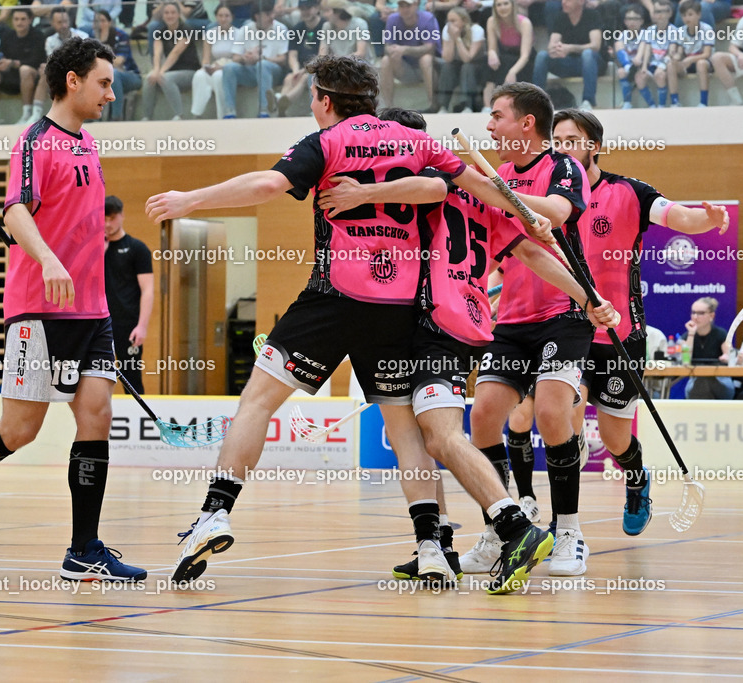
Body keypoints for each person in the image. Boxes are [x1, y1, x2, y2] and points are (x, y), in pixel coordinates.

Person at [146, 55, 561, 595]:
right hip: (401, 308)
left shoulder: (328, 140)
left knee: (257, 401)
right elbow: (463, 189)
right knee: (404, 428)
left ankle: (215, 513)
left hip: (334, 296)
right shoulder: (421, 141)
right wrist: (528, 215)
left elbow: (268, 187)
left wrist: (189, 199)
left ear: (323, 99)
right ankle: (433, 546)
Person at [314, 105, 619, 583]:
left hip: (437, 322)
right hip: (468, 321)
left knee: (438, 436)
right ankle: (438, 545)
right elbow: (530, 252)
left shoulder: (430, 187)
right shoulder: (475, 190)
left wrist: (363, 193)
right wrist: (587, 296)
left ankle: (519, 525)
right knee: (432, 434)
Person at [0, 37, 147, 583]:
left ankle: (84, 549)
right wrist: (48, 260)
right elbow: (15, 209)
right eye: (104, 83)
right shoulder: (34, 142)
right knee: (20, 431)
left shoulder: (88, 145)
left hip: (92, 314)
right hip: (38, 310)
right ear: (73, 81)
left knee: (96, 418)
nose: (111, 94)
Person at [551, 108, 728, 536]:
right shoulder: (547, 198)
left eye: (570, 140)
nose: (561, 149)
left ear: (593, 146)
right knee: (564, 412)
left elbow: (678, 216)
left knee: (615, 439)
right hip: (566, 326)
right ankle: (565, 523)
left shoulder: (629, 192)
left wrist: (707, 219)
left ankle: (636, 477)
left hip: (619, 333)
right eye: (555, 141)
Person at [464, 83, 596, 578]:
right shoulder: (496, 175)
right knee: (483, 418)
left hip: (565, 312)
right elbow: (502, 246)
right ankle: (504, 529)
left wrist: (515, 201)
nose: (489, 126)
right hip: (514, 319)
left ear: (527, 124)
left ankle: (568, 532)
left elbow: (559, 212)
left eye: (496, 115)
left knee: (549, 410)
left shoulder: (563, 165)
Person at [104, 196, 154, 393]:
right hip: (99, 323)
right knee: (95, 377)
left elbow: (148, 290)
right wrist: (100, 253)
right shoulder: (93, 248)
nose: (108, 224)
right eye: (104, 219)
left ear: (122, 216)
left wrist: (142, 326)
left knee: (131, 378)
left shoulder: (137, 249)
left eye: (112, 218)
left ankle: (136, 420)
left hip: (129, 324)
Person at [531, 0, 604, 111]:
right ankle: (536, 102)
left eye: (568, 0)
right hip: (569, 63)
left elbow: (595, 46)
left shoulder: (592, 15)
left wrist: (570, 48)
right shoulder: (560, 17)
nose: (564, 2)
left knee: (587, 54)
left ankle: (588, 101)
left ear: (580, 2)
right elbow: (551, 46)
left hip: (592, 64)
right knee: (542, 56)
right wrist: (556, 50)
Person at [221, 1, 289, 118]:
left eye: (272, 13)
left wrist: (262, 58)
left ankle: (264, 110)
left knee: (262, 65)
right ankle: (229, 111)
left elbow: (283, 59)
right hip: (251, 70)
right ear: (257, 16)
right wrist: (245, 58)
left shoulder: (281, 28)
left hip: (273, 71)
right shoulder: (245, 29)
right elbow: (235, 57)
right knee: (228, 68)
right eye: (267, 14)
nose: (272, 17)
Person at [0, 7, 45, 125]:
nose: (19, 22)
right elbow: (0, 52)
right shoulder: (8, 34)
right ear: (12, 21)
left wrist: (14, 63)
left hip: (30, 77)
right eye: (16, 19)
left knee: (25, 70)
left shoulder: (38, 36)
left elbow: (37, 61)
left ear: (30, 20)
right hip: (9, 76)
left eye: (23, 19)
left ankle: (27, 114)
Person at [140, 0, 199, 121]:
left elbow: (175, 53)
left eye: (173, 12)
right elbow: (157, 54)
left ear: (178, 14)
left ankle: (179, 115)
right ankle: (147, 117)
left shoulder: (186, 29)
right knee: (149, 78)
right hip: (170, 71)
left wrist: (161, 71)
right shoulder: (160, 32)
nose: (170, 15)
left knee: (164, 77)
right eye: (166, 13)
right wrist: (156, 70)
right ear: (163, 15)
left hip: (190, 71)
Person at [378, 0, 440, 111]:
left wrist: (405, 49)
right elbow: (387, 46)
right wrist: (394, 51)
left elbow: (430, 48)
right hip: (404, 69)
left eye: (408, 6)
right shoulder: (393, 19)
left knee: (425, 59)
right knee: (386, 60)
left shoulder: (428, 18)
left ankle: (433, 104)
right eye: (401, 6)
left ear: (416, 5)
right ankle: (388, 108)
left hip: (428, 68)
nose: (405, 9)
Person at [481, 0, 533, 113]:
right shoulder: (492, 21)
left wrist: (512, 72)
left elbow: (525, 55)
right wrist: (491, 53)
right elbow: (492, 48)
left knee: (507, 63)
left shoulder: (524, 23)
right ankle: (487, 106)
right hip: (505, 55)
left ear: (512, 5)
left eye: (506, 3)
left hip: (523, 60)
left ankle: (507, 107)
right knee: (489, 61)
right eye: (499, 5)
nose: (502, 7)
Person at [190, 4, 240, 119]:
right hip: (215, 65)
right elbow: (206, 58)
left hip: (231, 67)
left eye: (226, 16)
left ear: (232, 17)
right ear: (216, 17)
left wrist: (221, 67)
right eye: (220, 15)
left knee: (218, 76)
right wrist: (206, 67)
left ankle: (224, 114)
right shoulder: (210, 33)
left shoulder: (239, 33)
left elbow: (238, 58)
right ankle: (197, 113)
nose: (223, 19)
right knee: (199, 75)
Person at [681, 296, 735, 399]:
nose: (695, 317)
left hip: (721, 380)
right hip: (696, 382)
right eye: (693, 313)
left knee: (706, 380)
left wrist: (726, 357)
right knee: (701, 381)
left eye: (701, 313)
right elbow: (685, 361)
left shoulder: (721, 334)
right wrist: (691, 334)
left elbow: (730, 356)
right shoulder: (687, 336)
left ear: (711, 316)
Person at [275, 0, 323, 116]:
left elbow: (322, 55)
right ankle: (281, 104)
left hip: (317, 67)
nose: (305, 12)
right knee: (289, 78)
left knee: (305, 78)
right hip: (300, 68)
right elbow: (292, 55)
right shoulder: (297, 28)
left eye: (308, 8)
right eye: (302, 9)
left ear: (317, 8)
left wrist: (303, 70)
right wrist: (296, 69)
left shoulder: (324, 26)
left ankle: (280, 101)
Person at [91, 9, 140, 121]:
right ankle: (91, 117)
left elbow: (119, 61)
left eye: (102, 21)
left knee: (113, 74)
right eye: (96, 21)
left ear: (109, 22)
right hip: (103, 78)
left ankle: (116, 117)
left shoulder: (121, 35)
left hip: (129, 75)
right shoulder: (91, 39)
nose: (99, 24)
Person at [436, 6, 484, 113]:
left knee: (467, 67)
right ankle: (443, 106)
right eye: (448, 21)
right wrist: (452, 38)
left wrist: (457, 38)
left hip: (476, 67)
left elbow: (467, 58)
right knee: (447, 67)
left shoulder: (476, 30)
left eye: (453, 21)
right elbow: (447, 58)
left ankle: (468, 106)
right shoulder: (447, 30)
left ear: (464, 21)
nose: (450, 24)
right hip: (457, 65)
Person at [666, 0, 712, 108]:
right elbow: (680, 51)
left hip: (703, 62)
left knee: (701, 63)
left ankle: (703, 102)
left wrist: (691, 59)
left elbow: (707, 54)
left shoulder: (707, 29)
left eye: (690, 14)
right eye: (684, 15)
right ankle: (675, 101)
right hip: (687, 62)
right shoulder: (680, 31)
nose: (687, 18)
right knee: (670, 65)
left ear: (699, 15)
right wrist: (675, 56)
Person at [613, 3, 647, 109]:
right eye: (629, 19)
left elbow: (644, 54)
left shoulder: (645, 33)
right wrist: (628, 65)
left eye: (635, 19)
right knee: (621, 72)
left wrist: (638, 61)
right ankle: (627, 102)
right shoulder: (623, 35)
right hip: (629, 65)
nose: (632, 22)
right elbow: (619, 49)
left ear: (641, 21)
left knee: (639, 77)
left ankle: (652, 104)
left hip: (642, 64)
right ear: (625, 21)